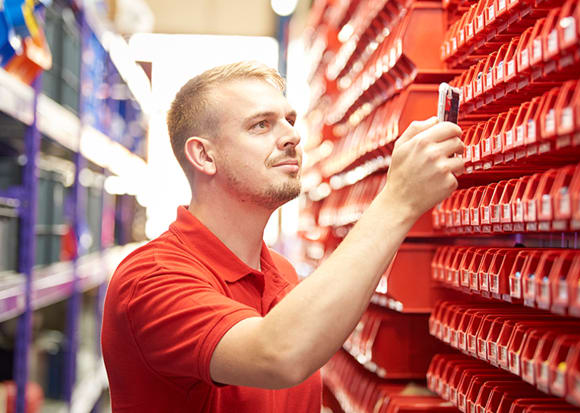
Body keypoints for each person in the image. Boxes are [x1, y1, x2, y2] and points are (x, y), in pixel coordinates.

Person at [101, 61, 464, 412]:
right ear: (204, 155)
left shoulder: (281, 275)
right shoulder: (152, 277)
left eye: (289, 120)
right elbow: (277, 354)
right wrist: (397, 200)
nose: (292, 136)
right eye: (261, 125)